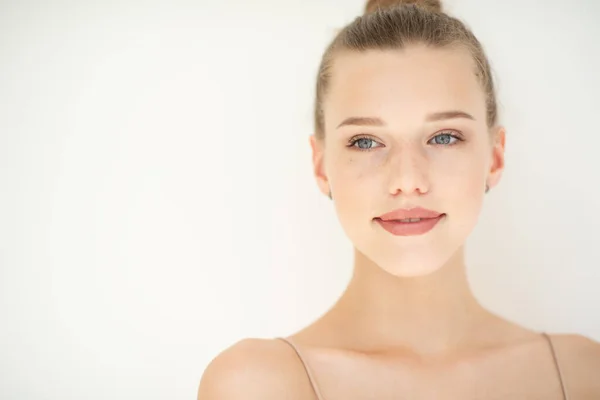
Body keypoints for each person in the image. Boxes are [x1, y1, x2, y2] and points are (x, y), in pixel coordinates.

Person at [197, 0, 600, 398]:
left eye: (444, 137)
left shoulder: (583, 374)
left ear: (495, 156)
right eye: (366, 141)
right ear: (321, 167)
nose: (408, 181)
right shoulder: (258, 384)